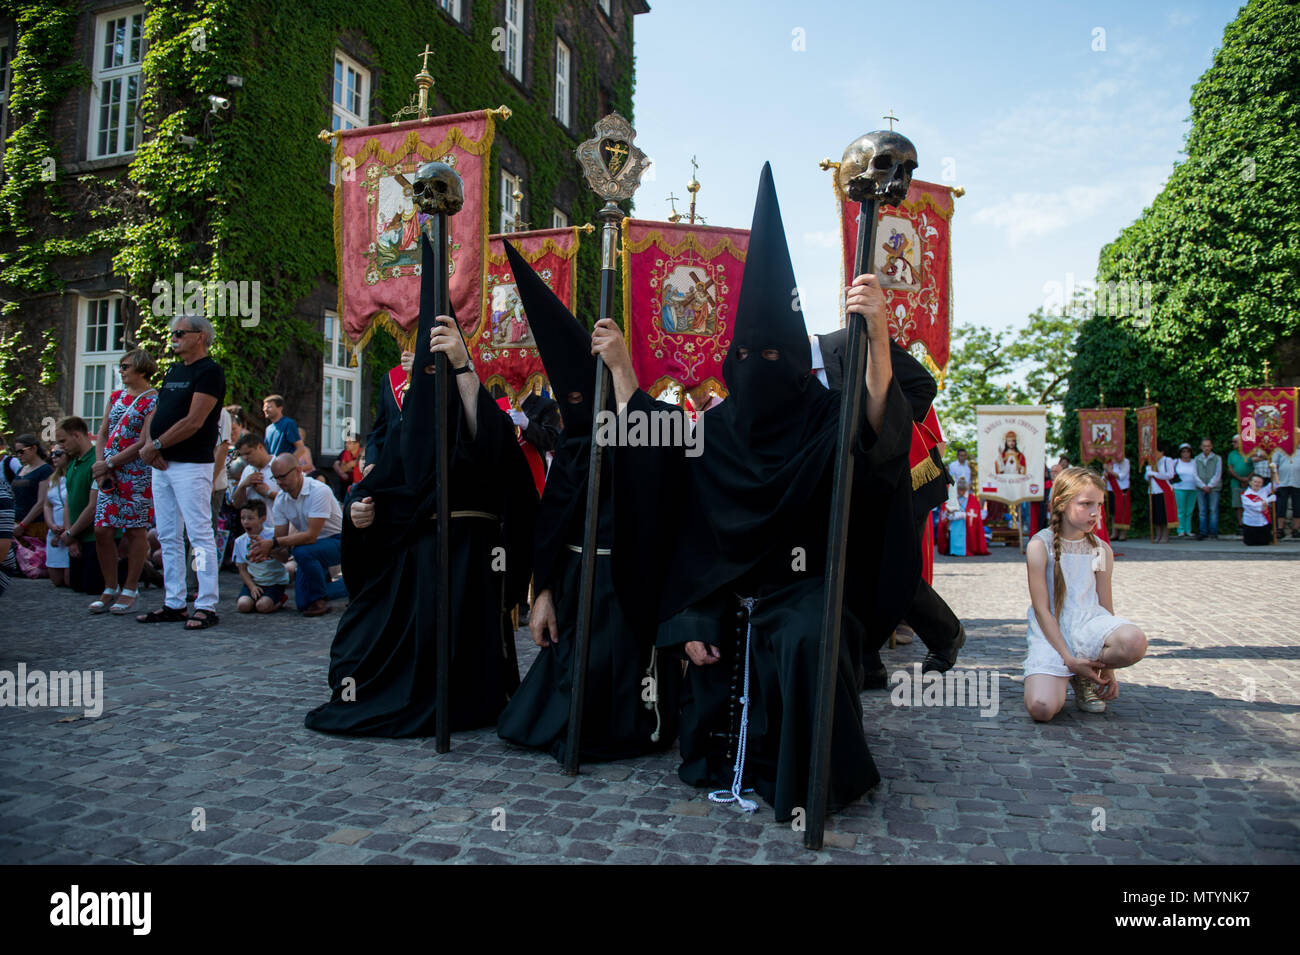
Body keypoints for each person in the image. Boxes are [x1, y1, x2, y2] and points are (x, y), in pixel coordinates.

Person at [622, 165, 912, 820]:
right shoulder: (715, 431)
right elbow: (691, 535)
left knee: (808, 635)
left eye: (774, 356)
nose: (760, 369)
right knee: (711, 641)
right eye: (746, 357)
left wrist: (880, 340)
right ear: (731, 362)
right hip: (727, 591)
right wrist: (693, 617)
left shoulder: (822, 416)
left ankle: (809, 774)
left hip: (805, 585)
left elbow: (877, 437)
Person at [304, 293, 537, 737]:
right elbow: (382, 478)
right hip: (413, 554)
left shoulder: (474, 411)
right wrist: (360, 512)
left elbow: (495, 448)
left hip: (471, 555)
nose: (435, 380)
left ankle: (465, 696)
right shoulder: (407, 418)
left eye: (441, 370)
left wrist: (463, 365)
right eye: (427, 372)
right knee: (364, 642)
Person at [496, 242, 678, 763]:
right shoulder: (574, 446)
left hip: (628, 588)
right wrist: (544, 593)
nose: (580, 408)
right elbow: (550, 528)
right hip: (577, 586)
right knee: (539, 719)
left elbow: (654, 465)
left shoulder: (656, 423)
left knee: (617, 715)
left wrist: (622, 371)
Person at [1022, 467, 1148, 721]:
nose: (1095, 513)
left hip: (1088, 627)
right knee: (1041, 709)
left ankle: (1085, 675)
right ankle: (1070, 669)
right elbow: (1042, 609)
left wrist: (1108, 670)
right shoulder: (1040, 546)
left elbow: (1105, 606)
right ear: (1061, 503)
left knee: (1134, 641)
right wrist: (1068, 658)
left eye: (1099, 505)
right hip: (1051, 635)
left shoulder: (1101, 550)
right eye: (1086, 504)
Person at [136, 313, 226, 630]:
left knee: (200, 536)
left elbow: (194, 421)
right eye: (172, 333)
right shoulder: (173, 371)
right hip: (162, 464)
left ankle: (206, 603)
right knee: (168, 536)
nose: (173, 338)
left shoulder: (210, 372)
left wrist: (156, 444)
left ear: (199, 336)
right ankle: (173, 601)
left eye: (179, 333)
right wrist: (150, 446)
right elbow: (158, 412)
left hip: (191, 465)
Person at [90, 348, 158, 615]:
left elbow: (144, 440)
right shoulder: (116, 396)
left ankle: (130, 588)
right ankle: (110, 586)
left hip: (135, 473)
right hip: (108, 472)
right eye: (121, 366)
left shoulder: (153, 400)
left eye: (126, 366)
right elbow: (103, 430)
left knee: (135, 531)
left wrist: (110, 462)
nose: (121, 370)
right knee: (102, 530)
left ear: (141, 370)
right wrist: (100, 464)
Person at [250, 453, 346, 616]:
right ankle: (351, 585)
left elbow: (310, 536)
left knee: (301, 551)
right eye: (275, 478)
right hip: (311, 549)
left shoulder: (319, 490)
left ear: (298, 470)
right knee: (303, 603)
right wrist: (264, 551)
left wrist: (272, 544)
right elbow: (280, 542)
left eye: (283, 476)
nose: (279, 482)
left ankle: (322, 596)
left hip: (339, 542)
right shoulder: (281, 499)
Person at [55, 417, 105, 596]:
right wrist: (71, 536)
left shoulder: (96, 460)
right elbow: (68, 502)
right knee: (75, 585)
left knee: (92, 587)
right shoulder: (72, 464)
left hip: (94, 537)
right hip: (77, 536)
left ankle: (136, 569)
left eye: (63, 440)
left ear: (76, 435)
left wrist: (71, 533)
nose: (61, 447)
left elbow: (94, 506)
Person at [232, 499, 289, 613]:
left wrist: (268, 549)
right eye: (243, 518)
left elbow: (285, 558)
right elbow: (242, 569)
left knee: (262, 607)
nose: (245, 522)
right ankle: (256, 598)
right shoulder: (239, 541)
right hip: (255, 581)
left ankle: (280, 600)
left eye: (250, 518)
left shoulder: (273, 535)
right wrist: (252, 586)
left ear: (262, 519)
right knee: (243, 606)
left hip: (274, 582)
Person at [363, 351, 413, 470]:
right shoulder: (390, 378)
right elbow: (380, 429)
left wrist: (421, 368)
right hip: (394, 467)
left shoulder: (442, 369)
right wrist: (372, 461)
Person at [9, 434, 52, 546]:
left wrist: (23, 525)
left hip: (34, 524)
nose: (19, 455)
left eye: (21, 451)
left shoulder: (45, 470)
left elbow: (41, 502)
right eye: (17, 452)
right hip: (16, 523)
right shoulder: (21, 469)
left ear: (33, 448)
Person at [42, 445, 70, 588]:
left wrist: (64, 530)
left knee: (69, 581)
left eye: (58, 453)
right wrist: (51, 525)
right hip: (54, 529)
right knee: (56, 581)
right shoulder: (52, 478)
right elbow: (47, 504)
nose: (53, 457)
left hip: (69, 530)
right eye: (52, 454)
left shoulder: (73, 476)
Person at [939, 477, 990, 556]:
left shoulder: (972, 498)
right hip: (954, 524)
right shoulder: (952, 497)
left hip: (965, 525)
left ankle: (965, 550)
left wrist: (964, 515)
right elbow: (944, 510)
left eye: (963, 490)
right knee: (953, 537)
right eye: (959, 490)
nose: (961, 492)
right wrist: (949, 515)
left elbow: (975, 512)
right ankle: (953, 551)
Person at [231, 433, 278, 509]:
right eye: (242, 455)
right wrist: (243, 485)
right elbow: (236, 504)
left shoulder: (280, 465)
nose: (245, 458)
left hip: (276, 520)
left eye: (248, 453)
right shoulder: (247, 470)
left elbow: (293, 499)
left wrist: (269, 493)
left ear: (260, 447)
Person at [1144, 444, 1178, 543]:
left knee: (1164, 515)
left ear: (1161, 452)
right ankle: (1158, 535)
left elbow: (1170, 475)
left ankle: (1165, 535)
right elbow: (1147, 478)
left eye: (1156, 452)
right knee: (1156, 515)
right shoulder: (1151, 462)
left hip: (1164, 490)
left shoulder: (1167, 460)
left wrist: (1154, 473)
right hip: (1154, 490)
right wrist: (1148, 472)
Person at [1269, 436, 1299, 540]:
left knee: (1298, 507)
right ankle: (1280, 530)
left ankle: (1295, 529)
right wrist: (1275, 481)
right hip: (1282, 482)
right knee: (1281, 506)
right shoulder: (1280, 448)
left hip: (1297, 482)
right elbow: (1274, 464)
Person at [261, 394, 307, 461]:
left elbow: (301, 449)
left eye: (269, 407)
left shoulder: (288, 424)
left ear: (280, 408)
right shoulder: (268, 429)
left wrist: (287, 464)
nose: (265, 409)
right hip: (272, 468)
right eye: (264, 407)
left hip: (284, 469)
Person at [1193, 437, 1222, 540]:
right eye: (1204, 446)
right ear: (1201, 447)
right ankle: (1203, 532)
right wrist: (1202, 486)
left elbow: (1217, 474)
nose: (1206, 448)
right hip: (1200, 488)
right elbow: (1195, 474)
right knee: (1202, 511)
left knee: (1213, 510)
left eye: (1208, 446)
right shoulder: (1197, 459)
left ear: (1211, 447)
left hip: (1214, 488)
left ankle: (1213, 532)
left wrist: (1209, 486)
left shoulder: (1217, 458)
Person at [1171, 442, 1198, 538]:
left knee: (1189, 510)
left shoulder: (1195, 461)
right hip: (1179, 488)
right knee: (1180, 510)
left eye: (1187, 451)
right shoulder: (1175, 462)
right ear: (1180, 453)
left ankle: (1188, 530)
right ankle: (1180, 530)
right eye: (1183, 452)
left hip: (1193, 488)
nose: (1185, 454)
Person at [1240, 474, 1275, 546]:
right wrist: (1268, 500)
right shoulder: (1245, 495)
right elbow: (1255, 507)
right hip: (1251, 524)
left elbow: (1275, 484)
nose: (1257, 484)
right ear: (1250, 482)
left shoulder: (1264, 491)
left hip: (1263, 523)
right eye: (1255, 482)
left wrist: (1274, 471)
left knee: (1264, 543)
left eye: (1260, 482)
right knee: (1251, 543)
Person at [1227, 434, 1253, 530]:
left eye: (1235, 441)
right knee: (1239, 505)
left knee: (1250, 505)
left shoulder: (1250, 452)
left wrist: (1247, 479)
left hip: (1250, 484)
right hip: (1236, 483)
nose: (1233, 444)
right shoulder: (1231, 454)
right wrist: (1240, 479)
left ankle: (1250, 524)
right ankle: (1241, 525)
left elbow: (1254, 467)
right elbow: (1230, 469)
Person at [1104, 454, 1131, 541]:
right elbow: (1104, 475)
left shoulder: (1125, 461)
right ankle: (1114, 532)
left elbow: (1122, 476)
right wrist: (1105, 474)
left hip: (1121, 488)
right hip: (1111, 489)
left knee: (1122, 511)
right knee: (1113, 512)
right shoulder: (1108, 462)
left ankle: (1123, 533)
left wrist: (1109, 471)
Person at [331, 434, 364, 499]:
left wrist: (348, 466)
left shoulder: (362, 452)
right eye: (346, 442)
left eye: (349, 443)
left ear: (357, 444)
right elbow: (342, 468)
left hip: (359, 482)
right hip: (348, 482)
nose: (346, 445)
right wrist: (350, 465)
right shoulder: (346, 453)